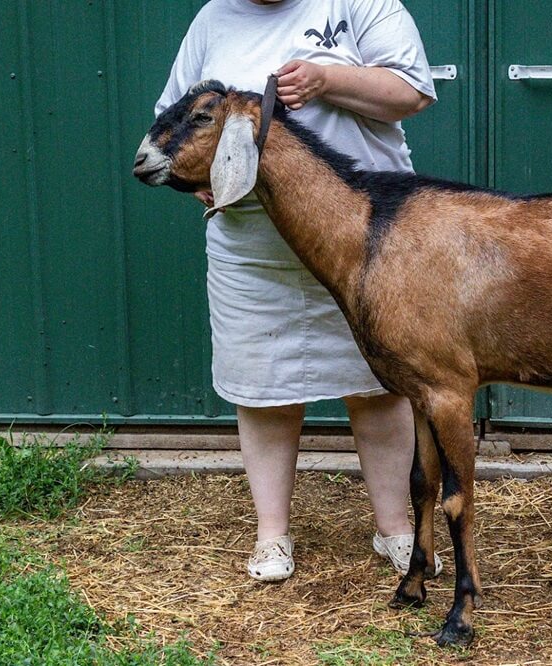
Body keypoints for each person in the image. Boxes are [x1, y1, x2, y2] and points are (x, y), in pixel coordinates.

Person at [155, 0, 441, 581]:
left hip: (367, 242)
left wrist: (326, 78)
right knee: (264, 390)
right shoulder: (214, 18)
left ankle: (396, 530)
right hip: (253, 247)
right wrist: (195, 183)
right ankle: (272, 537)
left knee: (380, 387)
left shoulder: (362, 3)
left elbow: (411, 92)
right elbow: (174, 118)